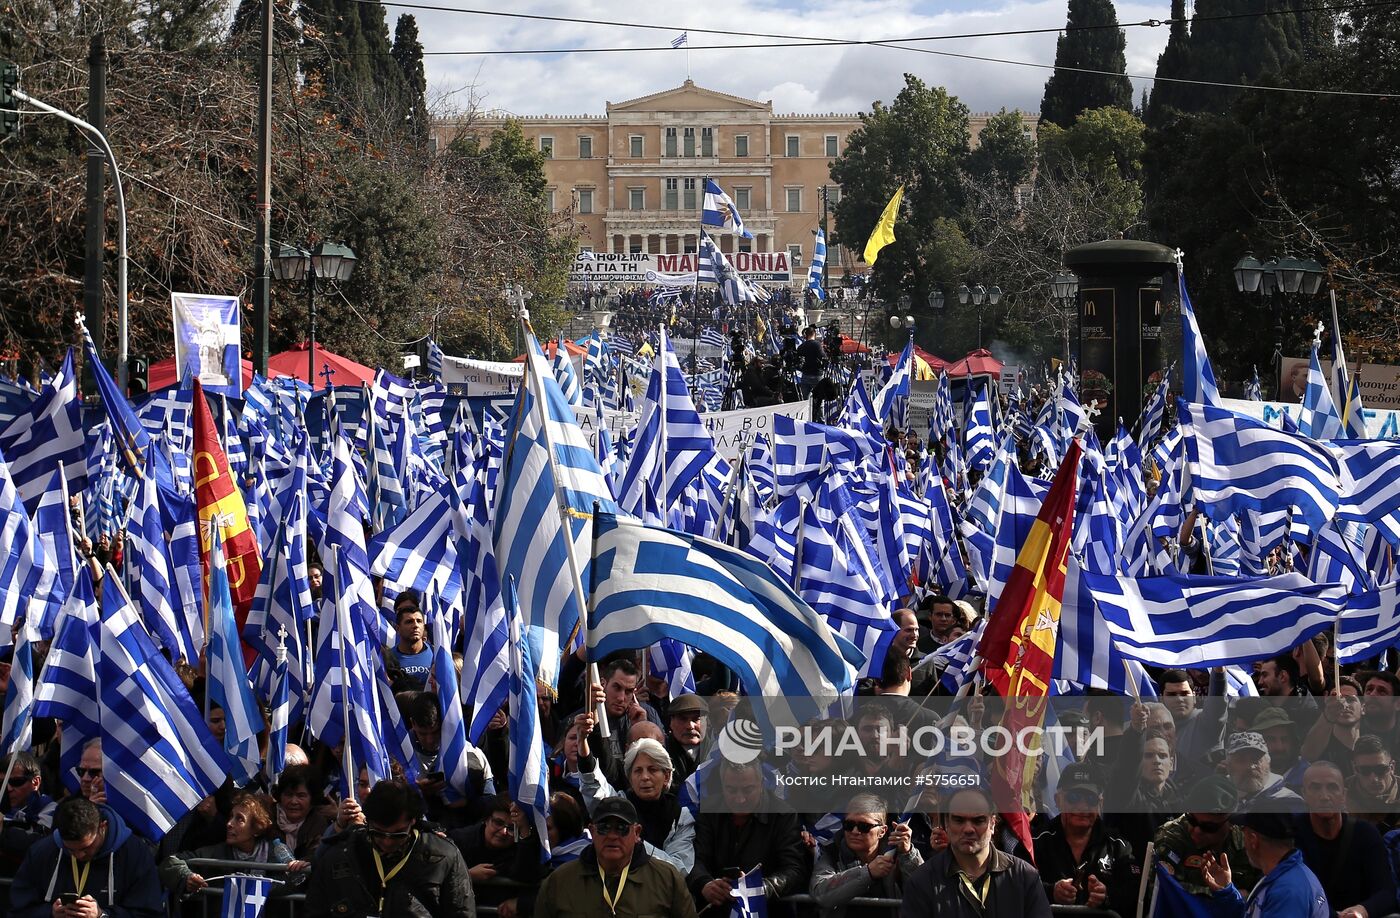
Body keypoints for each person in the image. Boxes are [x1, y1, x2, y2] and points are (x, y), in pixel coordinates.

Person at [304, 778, 475, 918]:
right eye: (378, 833)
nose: (387, 842)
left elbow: (461, 912)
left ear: (413, 821)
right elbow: (316, 910)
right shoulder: (340, 854)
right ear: (367, 821)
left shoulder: (444, 855)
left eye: (398, 834)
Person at [899, 785, 1051, 918]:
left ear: (992, 823)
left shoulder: (1025, 877)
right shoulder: (922, 881)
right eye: (959, 820)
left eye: (978, 820)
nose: (968, 829)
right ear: (946, 823)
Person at [535, 797, 697, 918]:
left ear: (637, 833)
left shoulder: (666, 878)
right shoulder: (560, 881)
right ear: (592, 831)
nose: (612, 836)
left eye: (622, 828)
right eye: (604, 828)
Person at [1014, 761, 1138, 916]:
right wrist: (1051, 891)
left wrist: (1107, 896)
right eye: (1073, 797)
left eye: (1090, 799)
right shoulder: (1033, 843)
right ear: (1058, 800)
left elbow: (1137, 895)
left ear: (1100, 803)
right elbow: (1015, 888)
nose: (1082, 805)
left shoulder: (1119, 846)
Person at [9, 796, 163, 918]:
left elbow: (149, 912)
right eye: (70, 849)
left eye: (86, 848)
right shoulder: (43, 851)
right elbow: (17, 909)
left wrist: (102, 915)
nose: (78, 855)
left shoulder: (135, 854)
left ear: (102, 827)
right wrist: (50, 914)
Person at [688, 759, 809, 909]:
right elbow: (695, 858)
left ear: (762, 784)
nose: (740, 799)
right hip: (717, 908)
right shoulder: (708, 810)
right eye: (731, 790)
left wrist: (759, 889)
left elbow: (794, 870)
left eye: (748, 790)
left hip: (767, 909)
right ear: (722, 786)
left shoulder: (783, 815)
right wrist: (704, 883)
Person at [577, 724, 695, 874]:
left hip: (659, 891)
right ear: (629, 778)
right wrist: (582, 743)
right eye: (638, 771)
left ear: (666, 776)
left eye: (652, 770)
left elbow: (679, 868)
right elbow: (593, 787)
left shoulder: (680, 817)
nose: (645, 777)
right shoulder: (618, 805)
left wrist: (637, 844)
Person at [1292, 761, 1396, 917]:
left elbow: (1386, 891)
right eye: (1315, 788)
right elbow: (1290, 890)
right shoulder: (1291, 834)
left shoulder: (1365, 833)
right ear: (1304, 794)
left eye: (1332, 787)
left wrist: (1362, 911)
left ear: (1344, 795)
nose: (1324, 796)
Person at [159, 792, 309, 895]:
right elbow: (170, 862)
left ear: (257, 828)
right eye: (231, 817)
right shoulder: (216, 853)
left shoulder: (276, 854)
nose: (229, 824)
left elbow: (296, 884)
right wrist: (187, 877)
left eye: (240, 819)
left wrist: (297, 870)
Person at [810, 793, 924, 918]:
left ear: (882, 831)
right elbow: (820, 893)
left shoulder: (899, 853)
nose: (854, 831)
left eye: (864, 827)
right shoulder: (833, 852)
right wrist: (868, 873)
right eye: (849, 825)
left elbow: (924, 891)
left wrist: (908, 855)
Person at [1200, 812, 1329, 918]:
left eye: (1243, 831)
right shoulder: (1282, 876)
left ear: (1253, 840)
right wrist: (1226, 892)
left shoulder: (1288, 891)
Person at [1154, 775, 1262, 898]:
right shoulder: (1170, 838)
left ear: (1230, 823)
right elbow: (1162, 889)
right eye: (1192, 820)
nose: (1197, 831)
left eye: (1208, 827)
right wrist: (1226, 895)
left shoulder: (1245, 839)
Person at [1225, 732, 1302, 811]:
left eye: (1256, 759)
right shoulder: (1218, 800)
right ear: (1228, 766)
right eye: (1241, 760)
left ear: (1268, 762)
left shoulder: (1290, 803)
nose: (1250, 767)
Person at [273, 765, 333, 859]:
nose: (293, 801)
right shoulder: (267, 819)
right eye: (289, 795)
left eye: (301, 796)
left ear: (312, 798)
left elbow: (315, 857)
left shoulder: (318, 824)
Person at [1347, 733, 1400, 831]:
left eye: (1380, 769)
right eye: (1365, 770)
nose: (1374, 778)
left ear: (1392, 767)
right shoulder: (1339, 793)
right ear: (1355, 769)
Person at [389, 593, 433, 690]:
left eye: (419, 621)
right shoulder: (389, 659)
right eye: (409, 622)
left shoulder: (436, 654)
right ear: (398, 628)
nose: (415, 625)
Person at [664, 693, 707, 783]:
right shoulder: (662, 751)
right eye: (683, 719)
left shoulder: (717, 751)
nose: (690, 726)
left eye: (696, 719)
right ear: (671, 722)